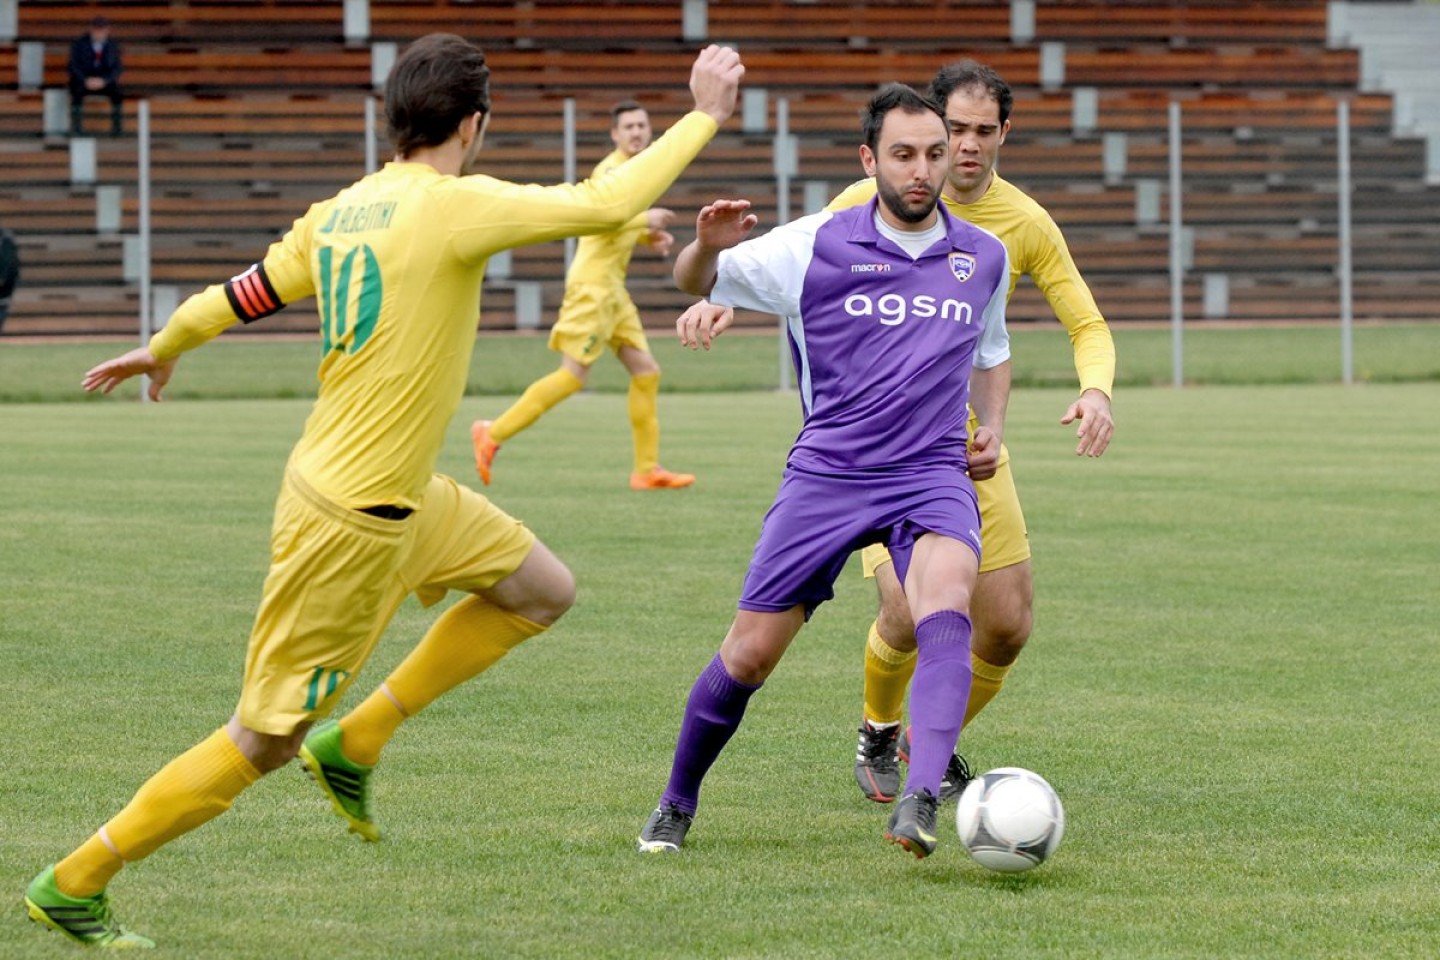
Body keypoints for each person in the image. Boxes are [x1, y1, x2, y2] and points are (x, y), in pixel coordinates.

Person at [23, 34, 742, 949]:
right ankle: (75, 882)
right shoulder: (453, 205)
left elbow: (241, 294)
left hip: (403, 492)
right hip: (355, 518)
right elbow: (608, 199)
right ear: (473, 124)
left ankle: (356, 741)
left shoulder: (342, 210)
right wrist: (706, 113)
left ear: (394, 118)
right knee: (260, 739)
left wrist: (165, 345)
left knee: (541, 589)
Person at [636, 83, 1012, 860]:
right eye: (903, 154)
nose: (922, 170)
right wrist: (707, 245)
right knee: (749, 654)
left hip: (930, 472)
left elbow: (991, 351)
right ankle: (676, 802)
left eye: (935, 154)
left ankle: (919, 800)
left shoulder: (983, 257)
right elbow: (689, 280)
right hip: (830, 473)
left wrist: (994, 427)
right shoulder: (815, 243)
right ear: (870, 159)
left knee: (947, 607)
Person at [831, 61, 1116, 806]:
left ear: (1003, 136)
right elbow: (796, 274)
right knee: (908, 611)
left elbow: (1084, 322)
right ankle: (878, 727)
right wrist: (722, 297)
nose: (966, 145)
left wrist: (1095, 390)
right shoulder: (864, 204)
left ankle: (927, 739)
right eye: (954, 128)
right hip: (879, 445)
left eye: (983, 131)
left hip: (968, 443)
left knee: (1009, 625)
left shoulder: (1023, 223)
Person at [471, 99, 696, 491]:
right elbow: (603, 217)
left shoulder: (634, 171)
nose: (637, 132)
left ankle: (646, 470)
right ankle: (492, 432)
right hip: (591, 289)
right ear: (614, 134)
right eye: (629, 127)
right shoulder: (610, 171)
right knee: (572, 376)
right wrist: (647, 219)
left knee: (647, 371)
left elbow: (617, 226)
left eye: (642, 126)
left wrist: (648, 237)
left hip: (612, 291)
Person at [68, 16, 124, 137]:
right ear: (91, 30)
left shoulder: (112, 45)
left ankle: (116, 128)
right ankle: (77, 127)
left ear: (107, 30)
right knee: (76, 90)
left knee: (117, 92)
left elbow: (117, 68)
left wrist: (104, 80)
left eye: (102, 30)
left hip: (104, 80)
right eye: (96, 30)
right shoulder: (79, 43)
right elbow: (73, 66)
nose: (99, 33)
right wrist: (85, 80)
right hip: (83, 80)